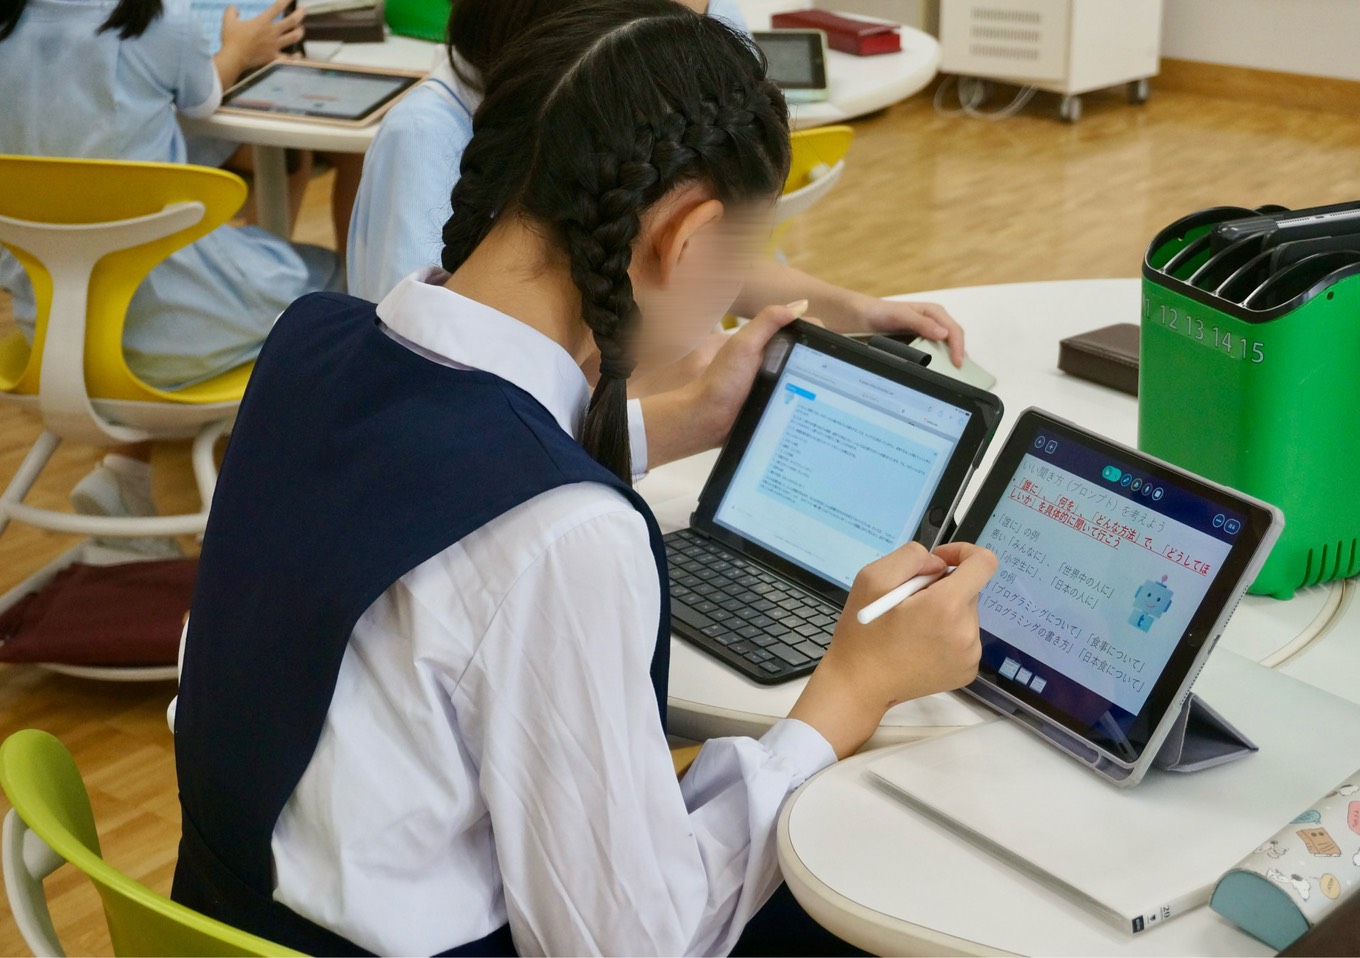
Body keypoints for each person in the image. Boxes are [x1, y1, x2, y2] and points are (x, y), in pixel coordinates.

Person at [171, 3, 997, 954]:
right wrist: (850, 688)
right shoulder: (565, 535)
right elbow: (631, 944)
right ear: (687, 241)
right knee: (872, 883)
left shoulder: (310, 345)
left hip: (224, 919)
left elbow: (430, 471)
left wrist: (678, 421)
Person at [344, 0, 967, 364]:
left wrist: (852, 310)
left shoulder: (623, 89)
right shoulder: (433, 136)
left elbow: (692, 246)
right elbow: (424, 359)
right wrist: (689, 383)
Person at [0, 0, 343, 552]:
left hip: (49, 334)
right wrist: (240, 50)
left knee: (119, 233)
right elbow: (204, 93)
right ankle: (288, 491)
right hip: (175, 340)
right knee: (338, 285)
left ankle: (125, 475)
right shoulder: (161, 26)